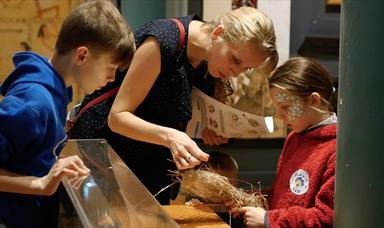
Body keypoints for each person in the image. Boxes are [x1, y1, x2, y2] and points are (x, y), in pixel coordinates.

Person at [69, 6, 278, 205]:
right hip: (102, 153)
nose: (236, 72)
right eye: (235, 59)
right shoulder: (164, 41)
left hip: (147, 163)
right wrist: (171, 136)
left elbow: (167, 113)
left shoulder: (209, 61)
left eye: (246, 68)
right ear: (218, 33)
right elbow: (118, 117)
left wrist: (205, 130)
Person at [0, 1, 136, 227]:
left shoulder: (58, 90)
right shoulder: (34, 101)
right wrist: (40, 184)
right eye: (110, 69)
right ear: (81, 56)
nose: (112, 79)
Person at [226, 57, 338, 228]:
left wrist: (269, 220)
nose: (279, 115)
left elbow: (326, 217)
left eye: (285, 107)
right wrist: (247, 200)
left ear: (314, 100)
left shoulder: (336, 149)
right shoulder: (295, 137)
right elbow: (281, 199)